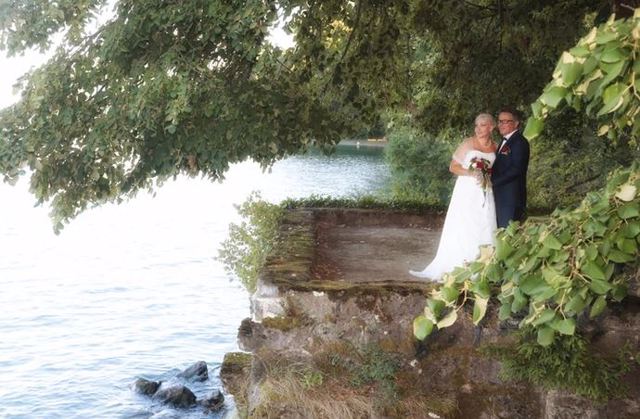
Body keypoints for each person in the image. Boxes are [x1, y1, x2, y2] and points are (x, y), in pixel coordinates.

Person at [410, 113, 498, 282]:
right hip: (467, 190)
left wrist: (486, 176)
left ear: (491, 127)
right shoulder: (468, 143)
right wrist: (472, 172)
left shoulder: (495, 147)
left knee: (485, 223)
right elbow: (453, 167)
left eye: (483, 125)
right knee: (465, 225)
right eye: (476, 125)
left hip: (485, 190)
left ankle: (482, 266)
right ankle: (459, 265)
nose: (478, 129)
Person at [491, 108, 530, 229]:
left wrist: (492, 182)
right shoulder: (504, 141)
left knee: (507, 235)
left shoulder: (519, 142)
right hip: (501, 197)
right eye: (500, 121)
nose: (501, 125)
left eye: (506, 121)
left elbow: (516, 169)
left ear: (516, 123)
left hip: (511, 199)